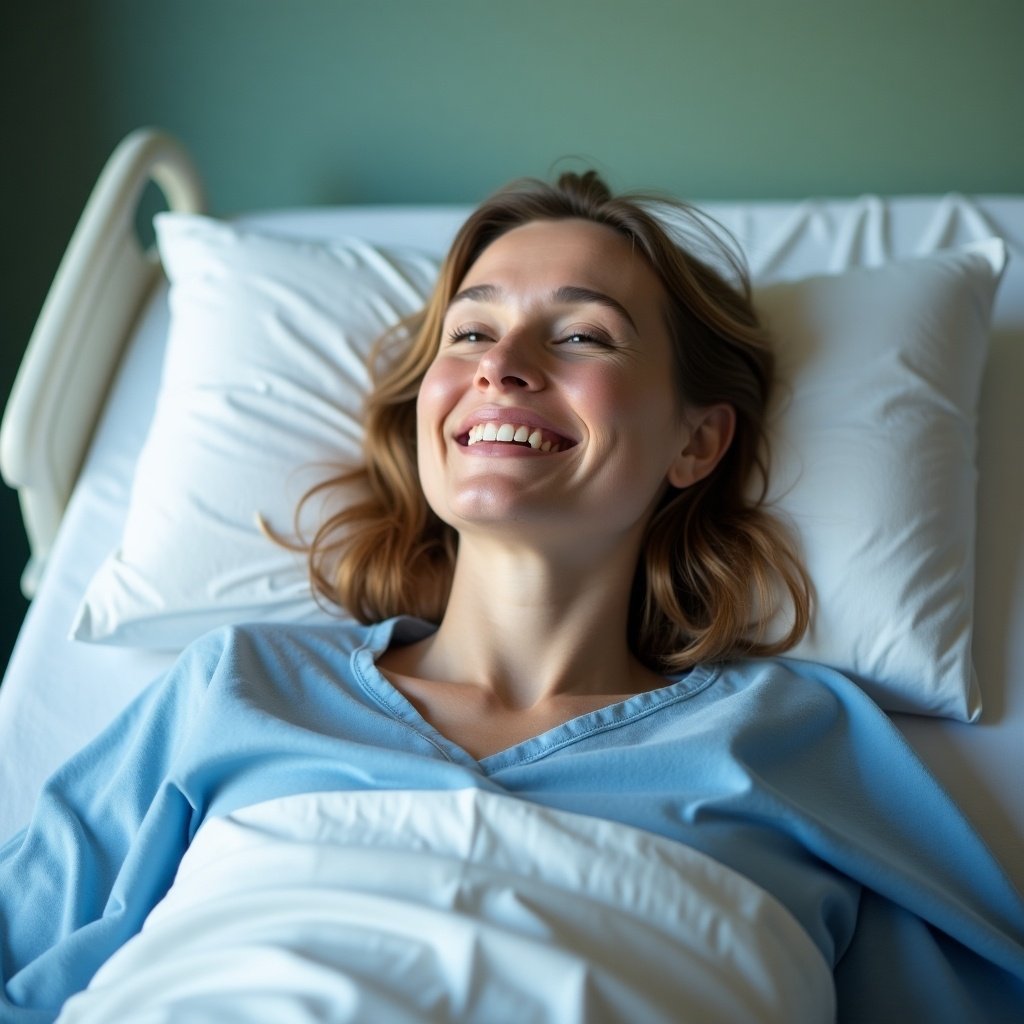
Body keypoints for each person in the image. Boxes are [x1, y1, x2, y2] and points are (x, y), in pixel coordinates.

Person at [1, 172, 1022, 1022]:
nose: (502, 366)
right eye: (468, 332)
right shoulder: (239, 684)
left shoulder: (798, 738)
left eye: (582, 336)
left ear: (695, 441)